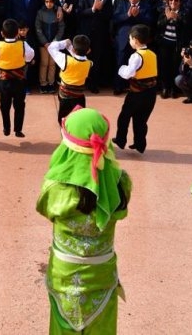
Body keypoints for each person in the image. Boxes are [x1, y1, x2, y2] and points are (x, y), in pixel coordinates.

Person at [36, 107, 131, 334]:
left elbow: (45, 208)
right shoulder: (120, 182)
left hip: (64, 275)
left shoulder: (54, 187)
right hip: (102, 275)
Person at [0, 18, 35, 137]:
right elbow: (30, 56)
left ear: (2, 33)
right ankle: (18, 129)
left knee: (4, 105)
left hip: (4, 82)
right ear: (17, 33)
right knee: (20, 105)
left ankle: (6, 128)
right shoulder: (23, 44)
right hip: (20, 80)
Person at [113, 25, 158, 153]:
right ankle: (140, 144)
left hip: (137, 94)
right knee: (141, 120)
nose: (129, 41)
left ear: (136, 40)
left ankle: (121, 139)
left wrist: (121, 69)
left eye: (130, 39)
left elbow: (129, 73)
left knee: (124, 117)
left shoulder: (136, 56)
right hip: (151, 94)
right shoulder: (152, 54)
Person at [47, 35, 92, 124]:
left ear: (74, 50)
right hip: (79, 97)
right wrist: (71, 48)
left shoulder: (66, 60)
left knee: (64, 121)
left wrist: (65, 43)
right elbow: (81, 58)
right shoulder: (89, 63)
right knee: (79, 121)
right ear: (88, 50)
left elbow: (51, 47)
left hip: (65, 97)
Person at [35, 0, 65, 94]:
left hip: (54, 44)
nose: (49, 4)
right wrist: (44, 42)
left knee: (52, 64)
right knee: (44, 63)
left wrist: (55, 42)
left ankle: (51, 83)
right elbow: (38, 28)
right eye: (47, 2)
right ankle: (43, 83)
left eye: (51, 2)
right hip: (44, 44)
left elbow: (61, 27)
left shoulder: (58, 12)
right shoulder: (40, 12)